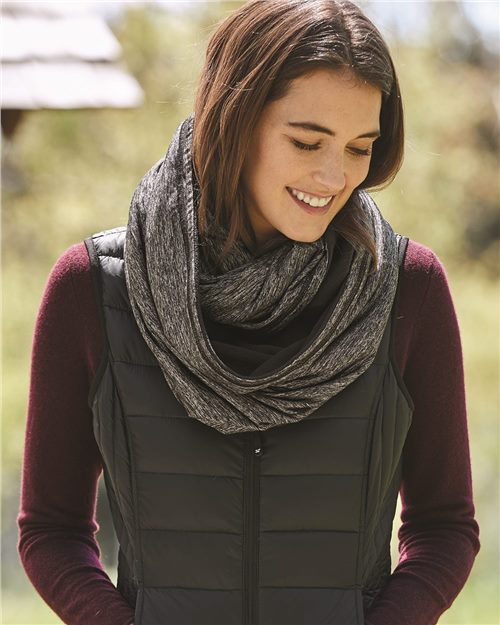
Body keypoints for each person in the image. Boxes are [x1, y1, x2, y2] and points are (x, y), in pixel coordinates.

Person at [17, 1, 480, 624]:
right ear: (233, 121)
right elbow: (51, 530)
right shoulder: (93, 290)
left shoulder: (407, 290)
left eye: (359, 147)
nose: (334, 175)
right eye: (307, 141)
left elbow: (444, 528)